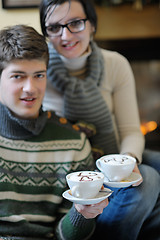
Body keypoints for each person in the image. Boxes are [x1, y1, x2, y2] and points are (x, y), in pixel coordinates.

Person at [39, 0, 160, 239]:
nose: (65, 35)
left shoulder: (115, 64)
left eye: (75, 23)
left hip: (113, 155)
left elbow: (130, 130)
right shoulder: (38, 72)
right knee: (149, 181)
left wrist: (128, 161)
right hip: (73, 168)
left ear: (92, 25)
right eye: (54, 27)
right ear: (45, 32)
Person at [0, 24, 108, 240]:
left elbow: (64, 235)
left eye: (39, 75)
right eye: (18, 76)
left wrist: (81, 215)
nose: (31, 88)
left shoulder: (74, 143)